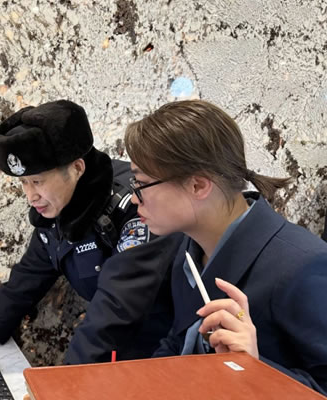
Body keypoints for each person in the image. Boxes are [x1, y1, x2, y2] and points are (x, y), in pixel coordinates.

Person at [0, 100, 183, 364]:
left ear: (77, 168)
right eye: (24, 182)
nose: (31, 195)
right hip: (111, 348)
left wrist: (69, 376)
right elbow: (32, 272)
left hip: (161, 353)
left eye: (37, 181)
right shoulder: (60, 208)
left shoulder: (135, 207)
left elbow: (118, 303)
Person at [123, 99, 327, 394]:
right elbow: (180, 341)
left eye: (141, 184)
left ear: (198, 186)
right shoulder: (190, 248)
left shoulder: (301, 265)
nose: (133, 198)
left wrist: (255, 368)